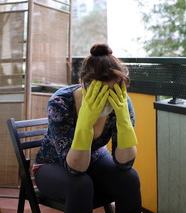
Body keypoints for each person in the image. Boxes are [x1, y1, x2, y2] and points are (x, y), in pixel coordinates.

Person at [33, 42, 142, 213]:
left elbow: (125, 164)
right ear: (82, 84)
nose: (106, 99)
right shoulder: (60, 103)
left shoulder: (120, 101)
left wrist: (123, 120)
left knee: (129, 178)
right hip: (52, 165)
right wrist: (85, 121)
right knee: (81, 185)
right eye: (100, 92)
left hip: (95, 158)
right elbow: (76, 170)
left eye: (112, 92)